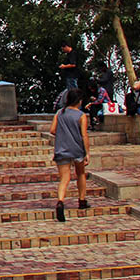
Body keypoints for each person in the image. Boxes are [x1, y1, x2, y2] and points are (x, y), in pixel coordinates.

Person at [49, 88, 90, 222]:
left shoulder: (60, 113)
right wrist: (87, 152)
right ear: (79, 101)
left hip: (61, 149)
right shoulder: (81, 115)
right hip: (77, 149)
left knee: (64, 178)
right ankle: (82, 200)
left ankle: (60, 201)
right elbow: (84, 135)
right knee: (80, 174)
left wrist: (64, 135)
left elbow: (53, 130)